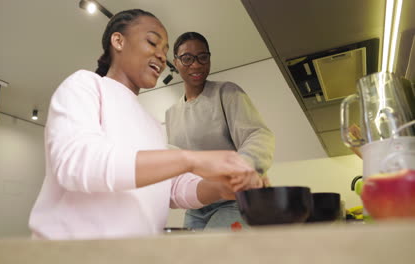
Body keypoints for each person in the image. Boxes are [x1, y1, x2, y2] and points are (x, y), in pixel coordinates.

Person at [28, 10, 262, 240]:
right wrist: (191, 159)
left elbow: (170, 188)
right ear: (118, 41)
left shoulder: (151, 122)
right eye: (152, 42)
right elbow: (78, 163)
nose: (162, 56)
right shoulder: (85, 86)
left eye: (165, 50)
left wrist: (222, 188)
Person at [165, 32, 275, 230]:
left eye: (202, 57)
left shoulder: (227, 92)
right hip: (197, 204)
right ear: (176, 62)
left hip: (234, 199)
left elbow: (257, 135)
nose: (196, 64)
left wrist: (241, 169)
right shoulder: (171, 113)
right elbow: (177, 160)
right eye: (187, 58)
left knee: (211, 254)